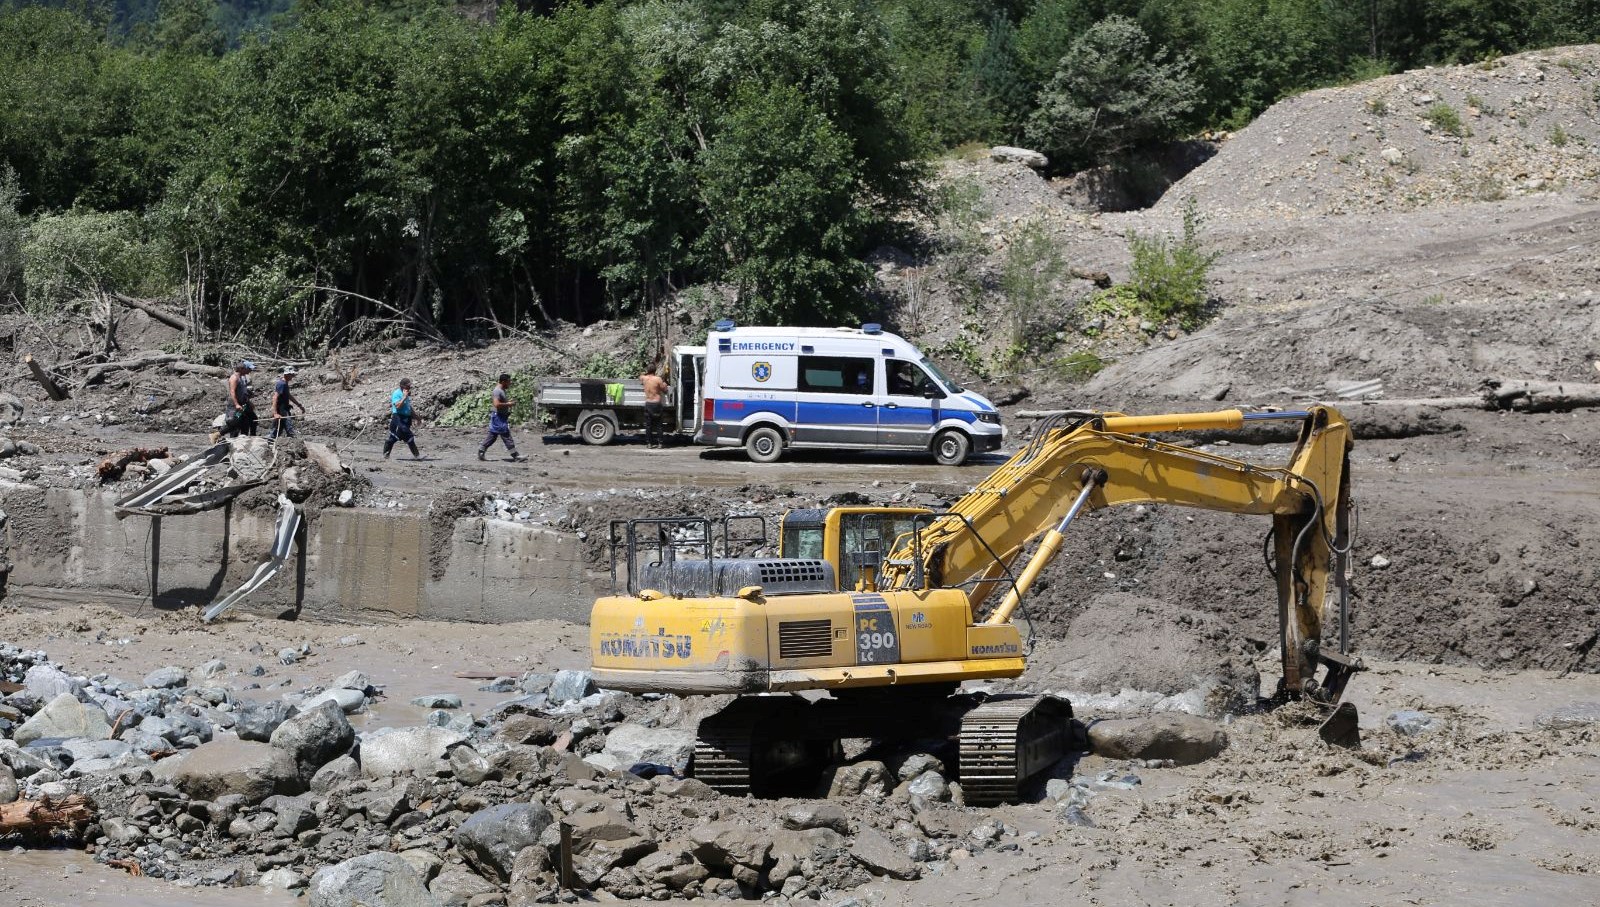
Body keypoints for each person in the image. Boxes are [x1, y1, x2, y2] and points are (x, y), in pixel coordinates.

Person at [477, 373, 524, 462]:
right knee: (506, 435)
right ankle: (515, 456)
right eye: (508, 382)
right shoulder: (497, 391)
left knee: (492, 436)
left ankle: (481, 451)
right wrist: (508, 404)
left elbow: (499, 403)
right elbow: (496, 404)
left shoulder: (501, 390)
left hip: (498, 416)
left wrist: (507, 403)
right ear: (503, 382)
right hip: (498, 417)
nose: (510, 384)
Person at [383, 377, 421, 459]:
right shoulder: (397, 393)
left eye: (409, 387)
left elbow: (408, 407)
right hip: (398, 419)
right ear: (402, 386)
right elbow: (397, 406)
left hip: (406, 419)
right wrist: (404, 397)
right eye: (407, 387)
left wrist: (416, 417)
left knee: (396, 437)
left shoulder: (406, 394)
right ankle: (417, 455)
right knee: (409, 436)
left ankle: (386, 453)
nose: (409, 388)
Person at [220, 360, 257, 439]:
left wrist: (248, 402)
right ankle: (219, 433)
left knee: (246, 422)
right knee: (235, 422)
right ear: (241, 369)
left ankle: (245, 439)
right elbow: (232, 392)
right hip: (234, 406)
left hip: (242, 404)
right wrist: (236, 404)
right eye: (246, 369)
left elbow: (243, 392)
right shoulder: (234, 378)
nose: (250, 371)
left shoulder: (241, 378)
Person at [267, 367, 305, 441]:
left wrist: (299, 405)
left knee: (278, 428)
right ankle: (293, 441)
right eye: (291, 375)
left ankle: (270, 439)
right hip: (281, 409)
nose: (292, 377)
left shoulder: (285, 383)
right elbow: (275, 398)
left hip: (284, 408)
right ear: (287, 375)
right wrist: (275, 413)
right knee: (288, 426)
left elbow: (289, 396)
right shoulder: (281, 384)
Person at [640, 366, 668, 448]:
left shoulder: (643, 378)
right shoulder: (658, 379)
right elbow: (665, 391)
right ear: (655, 371)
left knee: (648, 425)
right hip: (656, 403)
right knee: (659, 425)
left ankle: (649, 444)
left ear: (647, 371)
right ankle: (660, 443)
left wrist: (645, 373)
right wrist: (665, 385)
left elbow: (641, 375)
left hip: (648, 403)